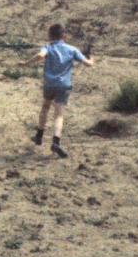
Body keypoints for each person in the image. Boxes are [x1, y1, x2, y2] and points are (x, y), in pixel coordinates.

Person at [18, 23, 96, 157]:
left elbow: (40, 56)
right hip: (64, 85)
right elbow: (88, 64)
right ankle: (56, 142)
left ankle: (39, 135)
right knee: (59, 115)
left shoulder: (47, 47)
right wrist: (92, 58)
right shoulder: (72, 49)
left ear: (49, 36)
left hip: (49, 84)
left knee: (45, 107)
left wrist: (25, 63)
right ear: (64, 36)